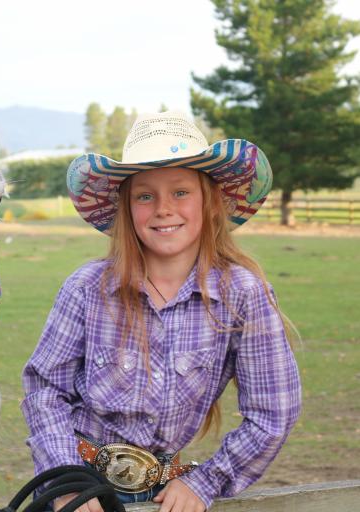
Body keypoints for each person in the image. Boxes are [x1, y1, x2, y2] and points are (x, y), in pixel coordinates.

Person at [21, 110, 301, 512]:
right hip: (77, 488)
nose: (163, 208)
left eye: (181, 192)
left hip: (166, 496)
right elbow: (45, 389)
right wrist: (67, 482)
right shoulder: (87, 288)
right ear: (127, 208)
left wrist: (206, 482)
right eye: (145, 195)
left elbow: (275, 411)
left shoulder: (242, 293)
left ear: (210, 203)